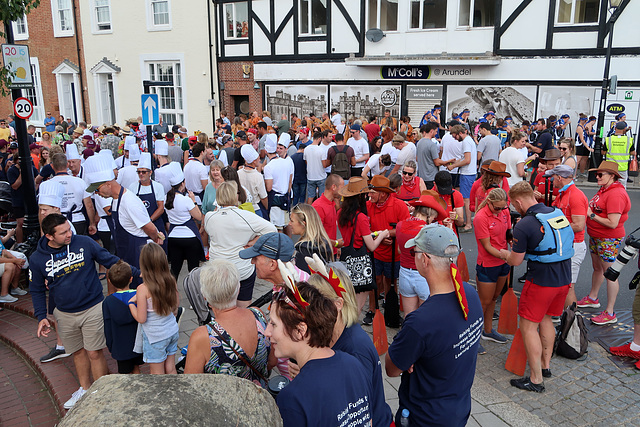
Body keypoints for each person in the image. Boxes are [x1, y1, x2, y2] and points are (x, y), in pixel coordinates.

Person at [386, 224, 483, 426]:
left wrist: (410, 352)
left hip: (423, 417)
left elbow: (392, 369)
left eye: (415, 252)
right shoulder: (470, 294)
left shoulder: (421, 321)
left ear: (425, 259)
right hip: (458, 409)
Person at [30, 214, 114, 408]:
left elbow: (110, 260)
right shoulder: (37, 259)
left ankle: (102, 392)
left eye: (69, 229)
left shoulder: (84, 242)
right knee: (77, 353)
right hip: (64, 313)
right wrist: (41, 316)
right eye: (64, 232)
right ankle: (85, 389)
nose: (70, 234)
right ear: (50, 236)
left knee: (94, 353)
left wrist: (138, 274)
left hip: (92, 306)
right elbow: (36, 288)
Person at [296, 258, 393, 427]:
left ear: (338, 304)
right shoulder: (332, 333)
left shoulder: (355, 349)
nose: (308, 309)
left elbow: (357, 411)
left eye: (316, 303)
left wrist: (308, 379)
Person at [266, 282, 374, 427]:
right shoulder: (354, 364)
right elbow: (368, 420)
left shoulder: (293, 397)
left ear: (300, 330)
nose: (267, 332)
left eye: (273, 324)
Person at [500, 181, 574, 392]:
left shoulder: (524, 224)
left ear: (517, 201)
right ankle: (545, 365)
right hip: (564, 279)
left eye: (514, 206)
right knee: (547, 320)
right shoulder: (556, 212)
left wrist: (505, 254)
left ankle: (535, 379)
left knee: (528, 326)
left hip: (541, 281)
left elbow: (515, 261)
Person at [184, 259, 276, 383]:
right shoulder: (258, 314)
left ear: (205, 296)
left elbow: (191, 384)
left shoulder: (202, 336)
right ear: (238, 289)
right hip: (260, 396)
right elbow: (272, 362)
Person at [205, 181, 276, 306]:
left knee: (221, 309)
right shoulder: (245, 216)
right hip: (241, 269)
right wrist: (254, 241)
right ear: (236, 196)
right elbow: (272, 229)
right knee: (244, 308)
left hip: (218, 270)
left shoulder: (209, 217)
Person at [577, 161, 631, 325]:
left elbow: (612, 223)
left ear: (612, 176)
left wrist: (590, 214)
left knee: (610, 274)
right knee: (598, 268)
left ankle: (610, 312)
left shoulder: (616, 194)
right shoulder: (605, 189)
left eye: (601, 174)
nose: (597, 177)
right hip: (597, 236)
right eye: (596, 174)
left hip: (608, 238)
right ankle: (593, 298)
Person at [86, 155, 163, 269]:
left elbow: (149, 227)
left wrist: (157, 238)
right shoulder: (116, 200)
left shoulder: (129, 201)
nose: (96, 193)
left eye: (97, 189)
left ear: (108, 184)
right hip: (125, 253)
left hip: (138, 254)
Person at [364, 175, 409, 324]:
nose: (369, 195)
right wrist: (381, 237)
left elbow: (406, 227)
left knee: (391, 282)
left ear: (383, 194)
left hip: (393, 255)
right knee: (374, 281)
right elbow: (365, 228)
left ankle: (390, 309)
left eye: (372, 192)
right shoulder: (368, 206)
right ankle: (372, 309)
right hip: (375, 252)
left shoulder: (399, 206)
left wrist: (387, 234)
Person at [129, 243, 179, 374]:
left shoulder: (143, 289)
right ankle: (175, 392)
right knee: (171, 368)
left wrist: (130, 304)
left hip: (155, 337)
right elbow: (175, 308)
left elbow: (141, 318)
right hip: (172, 331)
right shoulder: (171, 281)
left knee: (157, 375)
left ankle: (162, 395)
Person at [395, 193, 448, 315]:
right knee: (426, 317)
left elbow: (399, 250)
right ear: (429, 213)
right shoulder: (429, 231)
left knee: (409, 317)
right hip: (423, 276)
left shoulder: (400, 225)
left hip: (404, 273)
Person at [473, 188, 512, 353]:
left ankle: (487, 331)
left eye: (503, 208)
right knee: (483, 302)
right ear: (489, 202)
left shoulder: (504, 212)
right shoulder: (480, 217)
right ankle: (473, 337)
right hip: (488, 264)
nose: (500, 211)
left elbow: (508, 234)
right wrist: (508, 256)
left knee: (494, 298)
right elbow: (487, 246)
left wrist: (513, 245)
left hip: (503, 262)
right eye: (497, 208)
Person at [546, 165, 588, 309]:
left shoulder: (575, 195)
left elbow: (579, 225)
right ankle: (562, 317)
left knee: (568, 287)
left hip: (573, 245)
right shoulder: (564, 193)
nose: (551, 180)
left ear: (559, 178)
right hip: (566, 245)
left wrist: (551, 226)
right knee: (561, 285)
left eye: (553, 177)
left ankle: (573, 323)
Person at [103, 260, 144, 374]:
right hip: (138, 342)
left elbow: (108, 326)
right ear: (131, 279)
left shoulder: (108, 302)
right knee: (136, 368)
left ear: (110, 281)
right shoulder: (139, 295)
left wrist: (110, 345)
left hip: (120, 345)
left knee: (125, 374)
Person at [164, 166, 205, 278]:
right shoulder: (186, 200)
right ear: (183, 183)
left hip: (173, 237)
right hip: (190, 238)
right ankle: (193, 293)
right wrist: (194, 201)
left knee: (174, 271)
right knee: (193, 271)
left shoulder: (166, 199)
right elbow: (199, 217)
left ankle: (171, 293)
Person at [129, 153, 167, 252]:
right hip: (140, 226)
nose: (141, 174)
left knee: (159, 253)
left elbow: (161, 208)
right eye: (139, 172)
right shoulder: (132, 187)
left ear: (150, 173)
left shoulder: (158, 187)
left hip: (156, 224)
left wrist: (149, 221)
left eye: (143, 172)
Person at [289, 203, 334, 273]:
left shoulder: (302, 249)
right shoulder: (324, 243)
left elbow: (302, 280)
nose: (289, 223)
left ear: (303, 223)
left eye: (292, 221)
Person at [238, 145, 269, 218]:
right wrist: (266, 208)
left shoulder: (238, 173)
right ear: (254, 161)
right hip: (255, 208)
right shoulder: (258, 176)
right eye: (258, 159)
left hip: (241, 208)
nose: (260, 160)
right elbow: (263, 197)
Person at [603, 121, 635, 188]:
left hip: (610, 167)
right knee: (622, 185)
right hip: (622, 167)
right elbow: (633, 153)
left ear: (615, 129)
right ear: (624, 129)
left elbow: (603, 152)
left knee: (609, 184)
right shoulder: (629, 140)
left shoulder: (609, 139)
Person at [416, 122, 448, 189]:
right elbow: (436, 162)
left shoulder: (419, 142)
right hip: (431, 177)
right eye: (436, 131)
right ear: (431, 131)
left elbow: (417, 158)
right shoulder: (432, 145)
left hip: (421, 176)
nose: (436, 133)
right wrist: (447, 162)